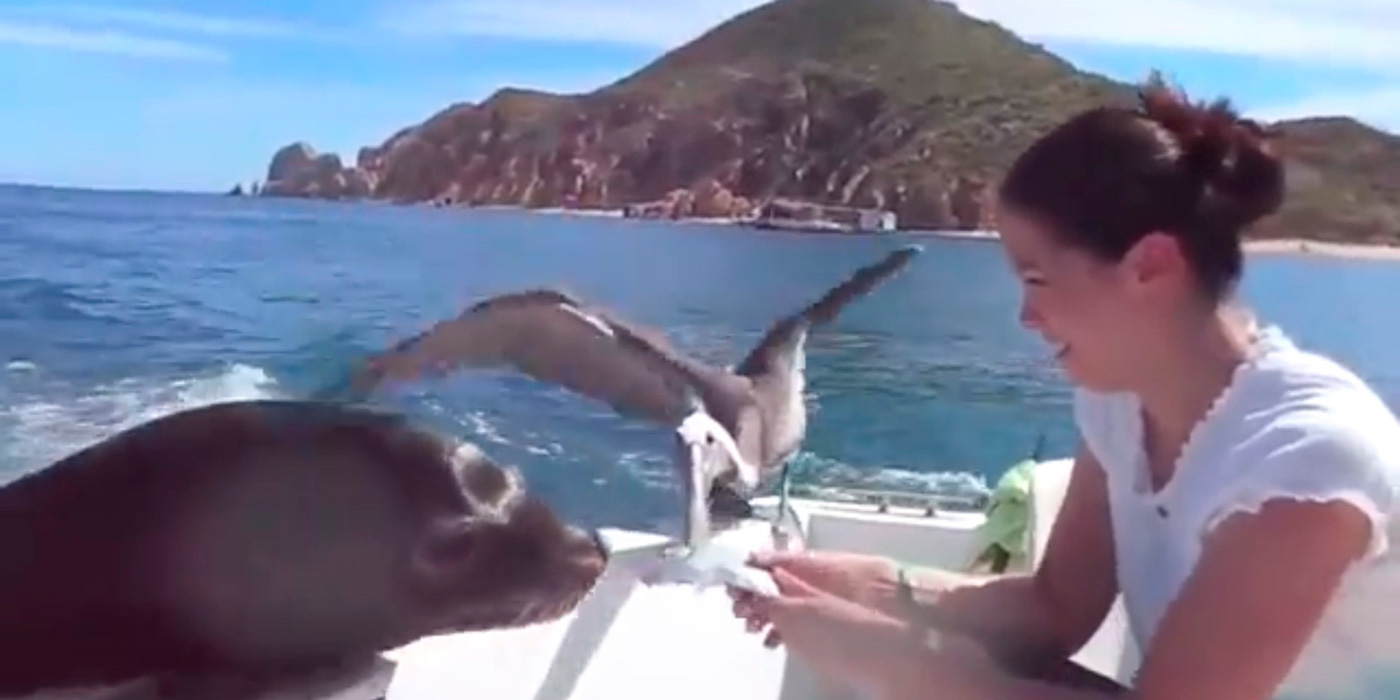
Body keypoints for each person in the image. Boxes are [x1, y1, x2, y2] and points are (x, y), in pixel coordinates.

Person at [728, 75, 1400, 700]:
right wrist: (866, 586)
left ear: (1151, 265)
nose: (1025, 315)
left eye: (1038, 280)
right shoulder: (1119, 402)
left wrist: (899, 661)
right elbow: (1053, 611)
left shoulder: (1307, 460)